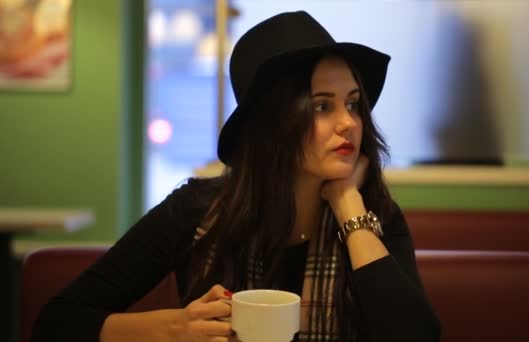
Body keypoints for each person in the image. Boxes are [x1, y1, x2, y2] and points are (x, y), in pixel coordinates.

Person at [32, 11, 440, 342]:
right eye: (321, 107)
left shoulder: (375, 216)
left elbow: (415, 336)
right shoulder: (198, 212)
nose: (349, 123)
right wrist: (173, 329)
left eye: (353, 104)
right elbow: (58, 322)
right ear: (273, 124)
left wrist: (349, 203)